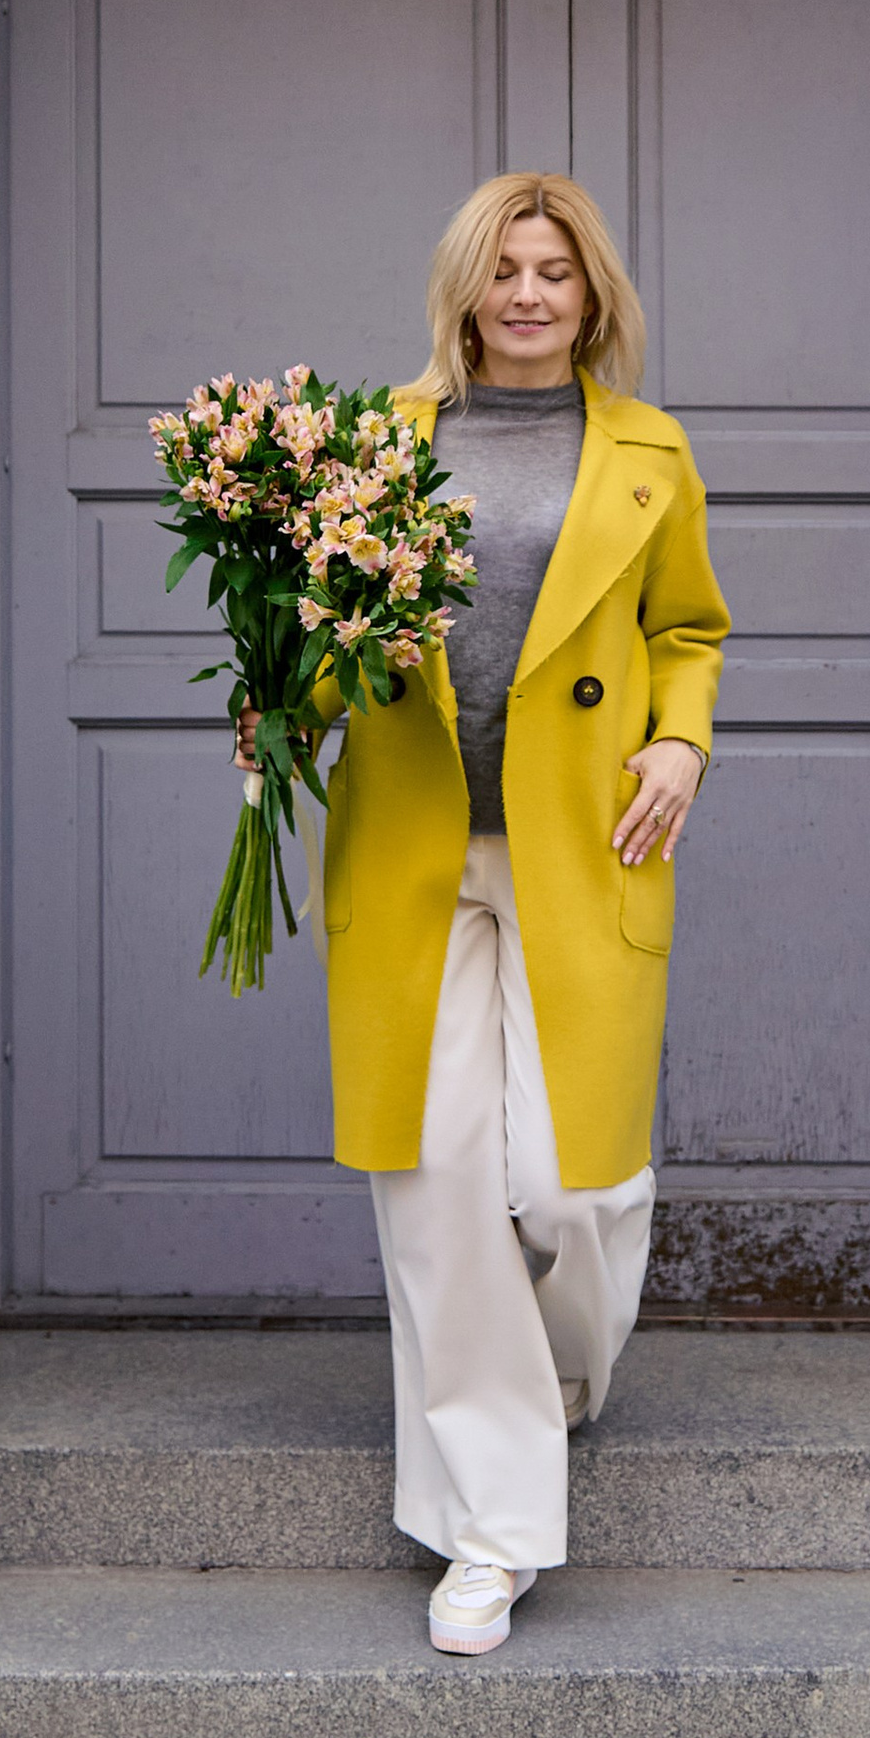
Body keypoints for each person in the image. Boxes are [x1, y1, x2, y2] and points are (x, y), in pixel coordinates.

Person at [318, 173, 728, 1653]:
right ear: (468, 290)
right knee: (434, 1182)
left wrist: (681, 736)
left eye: (556, 269)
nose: (532, 293)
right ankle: (491, 1531)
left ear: (592, 291)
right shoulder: (381, 442)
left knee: (572, 1189)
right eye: (506, 268)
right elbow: (318, 634)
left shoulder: (646, 451)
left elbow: (686, 628)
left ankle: (560, 1380)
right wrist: (275, 696)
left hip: (584, 848)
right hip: (417, 848)